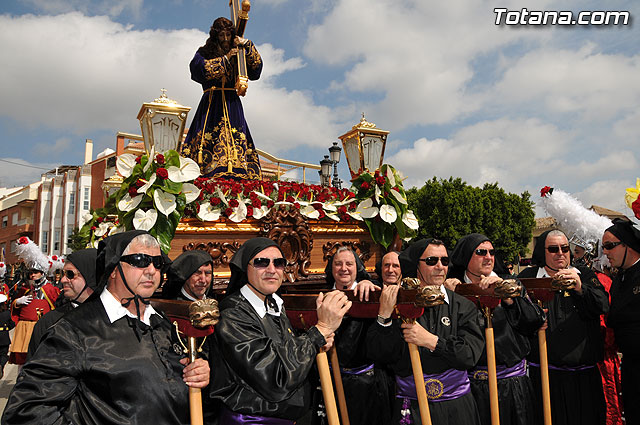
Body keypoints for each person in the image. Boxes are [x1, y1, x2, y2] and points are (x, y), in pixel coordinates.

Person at [2, 230, 210, 424]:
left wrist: (199, 372)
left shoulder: (164, 323)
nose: (151, 271)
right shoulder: (74, 331)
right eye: (140, 261)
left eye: (157, 263)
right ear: (113, 269)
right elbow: (26, 411)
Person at [208, 237, 351, 423]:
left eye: (279, 263)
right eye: (261, 263)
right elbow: (276, 379)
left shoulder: (274, 304)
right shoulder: (233, 315)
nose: (272, 270)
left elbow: (287, 356)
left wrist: (318, 340)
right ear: (245, 267)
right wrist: (319, 332)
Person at [367, 238, 484, 425]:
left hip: (457, 408)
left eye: (444, 261)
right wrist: (384, 317)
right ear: (416, 265)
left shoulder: (464, 306)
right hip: (411, 408)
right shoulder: (398, 304)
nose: (440, 266)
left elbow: (469, 355)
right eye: (431, 261)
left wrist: (432, 341)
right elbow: (380, 355)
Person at [448, 234, 545, 425]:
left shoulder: (509, 282)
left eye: (492, 252)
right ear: (466, 256)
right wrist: (451, 297)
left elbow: (533, 322)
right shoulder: (453, 287)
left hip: (511, 385)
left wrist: (508, 297)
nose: (489, 257)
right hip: (470, 387)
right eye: (481, 252)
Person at [518, 229, 609, 425]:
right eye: (553, 249)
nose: (560, 252)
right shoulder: (528, 278)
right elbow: (515, 316)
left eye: (565, 248)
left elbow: (602, 304)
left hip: (583, 378)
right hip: (544, 378)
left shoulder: (583, 274)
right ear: (542, 252)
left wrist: (579, 288)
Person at [180, 16, 263, 180]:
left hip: (232, 104)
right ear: (215, 36)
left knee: (236, 140)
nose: (225, 39)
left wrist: (248, 45)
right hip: (212, 103)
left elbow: (256, 70)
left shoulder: (240, 52)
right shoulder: (205, 51)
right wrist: (225, 59)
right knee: (208, 139)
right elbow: (197, 70)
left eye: (228, 35)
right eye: (221, 36)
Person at [320, 247, 390, 425]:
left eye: (349, 263)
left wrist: (368, 283)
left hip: (365, 387)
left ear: (357, 267)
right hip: (329, 384)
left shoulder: (368, 293)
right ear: (331, 268)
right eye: (338, 264)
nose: (343, 268)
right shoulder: (321, 298)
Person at [26, 248, 98, 360]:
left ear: (91, 276)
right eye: (63, 274)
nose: (63, 280)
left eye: (70, 274)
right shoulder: (49, 322)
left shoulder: (115, 319)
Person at [603, 219, 640, 425]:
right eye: (603, 247)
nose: (605, 252)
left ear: (627, 244)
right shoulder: (619, 279)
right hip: (630, 367)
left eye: (609, 246)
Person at [8, 237, 60, 365]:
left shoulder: (50, 289)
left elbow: (57, 308)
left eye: (35, 272)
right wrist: (17, 302)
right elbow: (13, 307)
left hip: (42, 327)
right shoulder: (25, 288)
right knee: (22, 359)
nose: (32, 275)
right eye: (31, 272)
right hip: (24, 328)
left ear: (42, 272)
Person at [0, 263, 13, 379]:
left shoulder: (5, 288)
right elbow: (12, 324)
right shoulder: (7, 313)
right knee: (4, 354)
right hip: (4, 336)